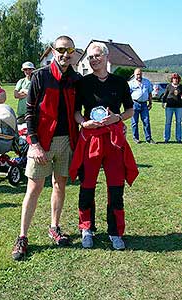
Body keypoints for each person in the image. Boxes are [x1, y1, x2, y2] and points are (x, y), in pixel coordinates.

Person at [12, 35, 82, 261]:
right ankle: (22, 236)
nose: (64, 54)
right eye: (60, 49)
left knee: (60, 185)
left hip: (66, 141)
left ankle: (55, 226)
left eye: (69, 50)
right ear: (53, 51)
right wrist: (34, 144)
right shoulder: (40, 76)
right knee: (33, 188)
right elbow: (29, 112)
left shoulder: (76, 79)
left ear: (73, 53)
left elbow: (82, 110)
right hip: (42, 142)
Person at [69, 42, 138, 250]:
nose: (93, 60)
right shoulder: (83, 83)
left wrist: (117, 117)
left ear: (106, 57)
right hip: (91, 140)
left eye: (97, 56)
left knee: (116, 187)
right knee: (87, 185)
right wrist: (83, 122)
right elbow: (76, 112)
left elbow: (130, 111)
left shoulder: (119, 82)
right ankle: (86, 228)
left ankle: (115, 231)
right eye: (90, 57)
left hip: (113, 140)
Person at [129, 68, 156, 144]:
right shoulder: (131, 83)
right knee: (134, 122)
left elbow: (150, 93)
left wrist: (150, 103)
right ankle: (135, 138)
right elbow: (127, 96)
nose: (139, 75)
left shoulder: (147, 82)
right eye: (137, 74)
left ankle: (149, 138)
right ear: (134, 75)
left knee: (146, 122)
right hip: (135, 104)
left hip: (144, 104)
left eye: (140, 74)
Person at [162, 73, 182, 143]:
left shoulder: (181, 87)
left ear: (178, 79)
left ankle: (179, 138)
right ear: (172, 79)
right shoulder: (169, 86)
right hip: (169, 107)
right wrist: (163, 102)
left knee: (179, 123)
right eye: (174, 78)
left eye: (176, 78)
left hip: (179, 107)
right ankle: (166, 138)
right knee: (168, 123)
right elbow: (165, 95)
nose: (175, 79)